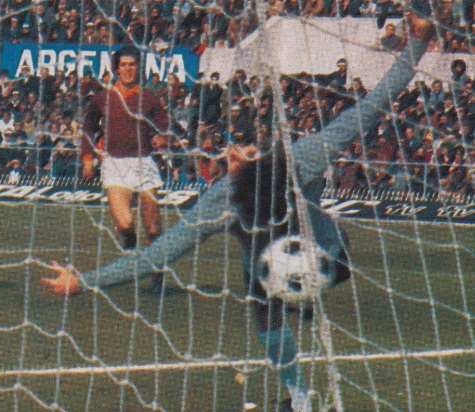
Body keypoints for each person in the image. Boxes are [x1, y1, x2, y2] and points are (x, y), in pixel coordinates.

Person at [42, 12, 434, 412]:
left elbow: (370, 108)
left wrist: (417, 45)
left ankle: (302, 321)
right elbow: (157, 255)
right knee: (263, 302)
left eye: (241, 151)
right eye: (230, 151)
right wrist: (84, 282)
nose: (232, 156)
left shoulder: (281, 168)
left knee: (267, 277)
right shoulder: (246, 186)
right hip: (279, 266)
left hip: (326, 257)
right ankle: (300, 398)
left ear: (259, 155)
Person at [79, 45, 170, 293]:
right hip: (114, 164)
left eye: (132, 64)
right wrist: (87, 157)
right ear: (116, 69)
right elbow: (87, 128)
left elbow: (165, 127)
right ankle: (131, 251)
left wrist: (163, 138)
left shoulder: (149, 99)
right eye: (123, 65)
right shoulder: (102, 99)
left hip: (143, 163)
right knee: (126, 223)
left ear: (138, 68)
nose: (128, 69)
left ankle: (157, 271)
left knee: (153, 227)